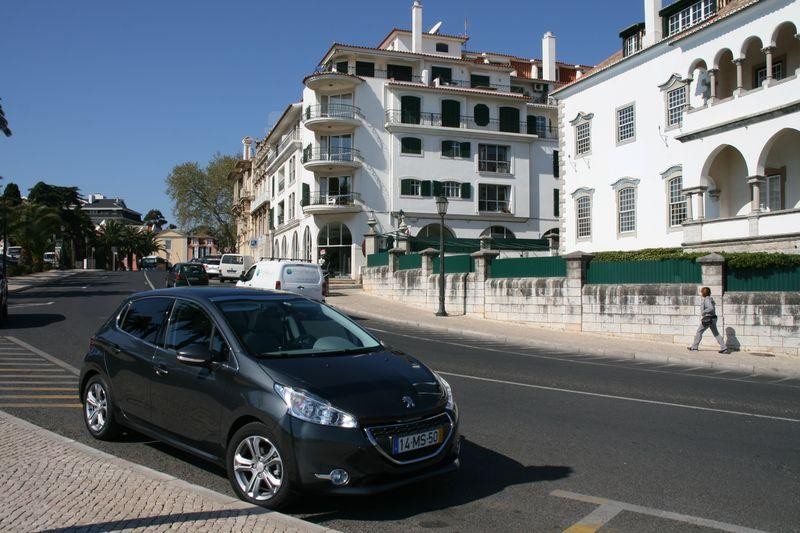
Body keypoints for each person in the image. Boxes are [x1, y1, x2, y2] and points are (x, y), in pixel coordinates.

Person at [688, 286, 729, 354]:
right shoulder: (710, 299)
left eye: (702, 292)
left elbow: (711, 308)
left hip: (708, 319)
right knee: (716, 333)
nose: (701, 293)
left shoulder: (707, 300)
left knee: (699, 332)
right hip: (713, 318)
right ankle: (724, 348)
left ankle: (694, 347)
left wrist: (703, 312)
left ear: (703, 293)